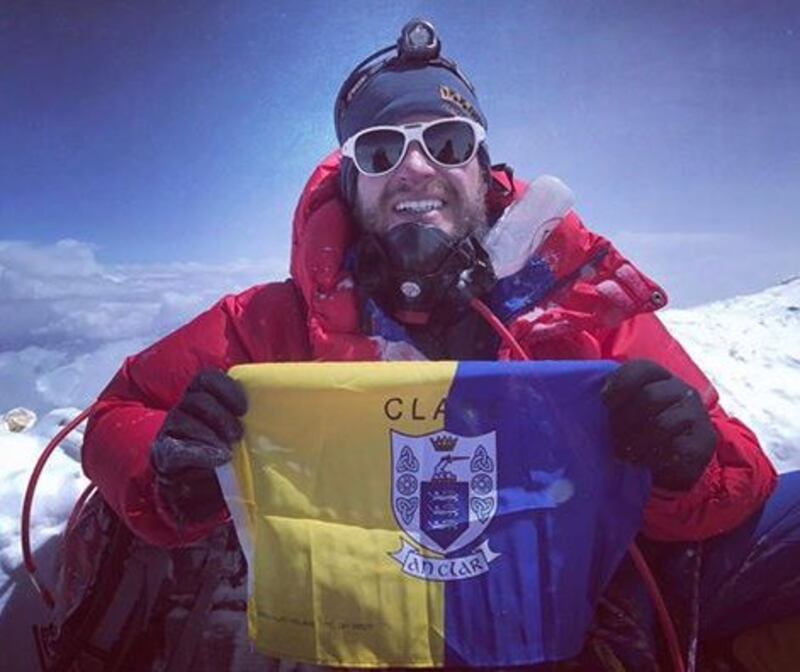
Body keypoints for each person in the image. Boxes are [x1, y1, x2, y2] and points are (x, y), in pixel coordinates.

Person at [68, 18, 796, 672]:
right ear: (352, 185)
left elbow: (740, 479)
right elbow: (118, 412)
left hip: (567, 609)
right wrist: (165, 468)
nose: (415, 168)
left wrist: (688, 462)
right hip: (365, 629)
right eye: (380, 150)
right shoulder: (270, 324)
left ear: (484, 171)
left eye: (446, 144)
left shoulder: (579, 308)